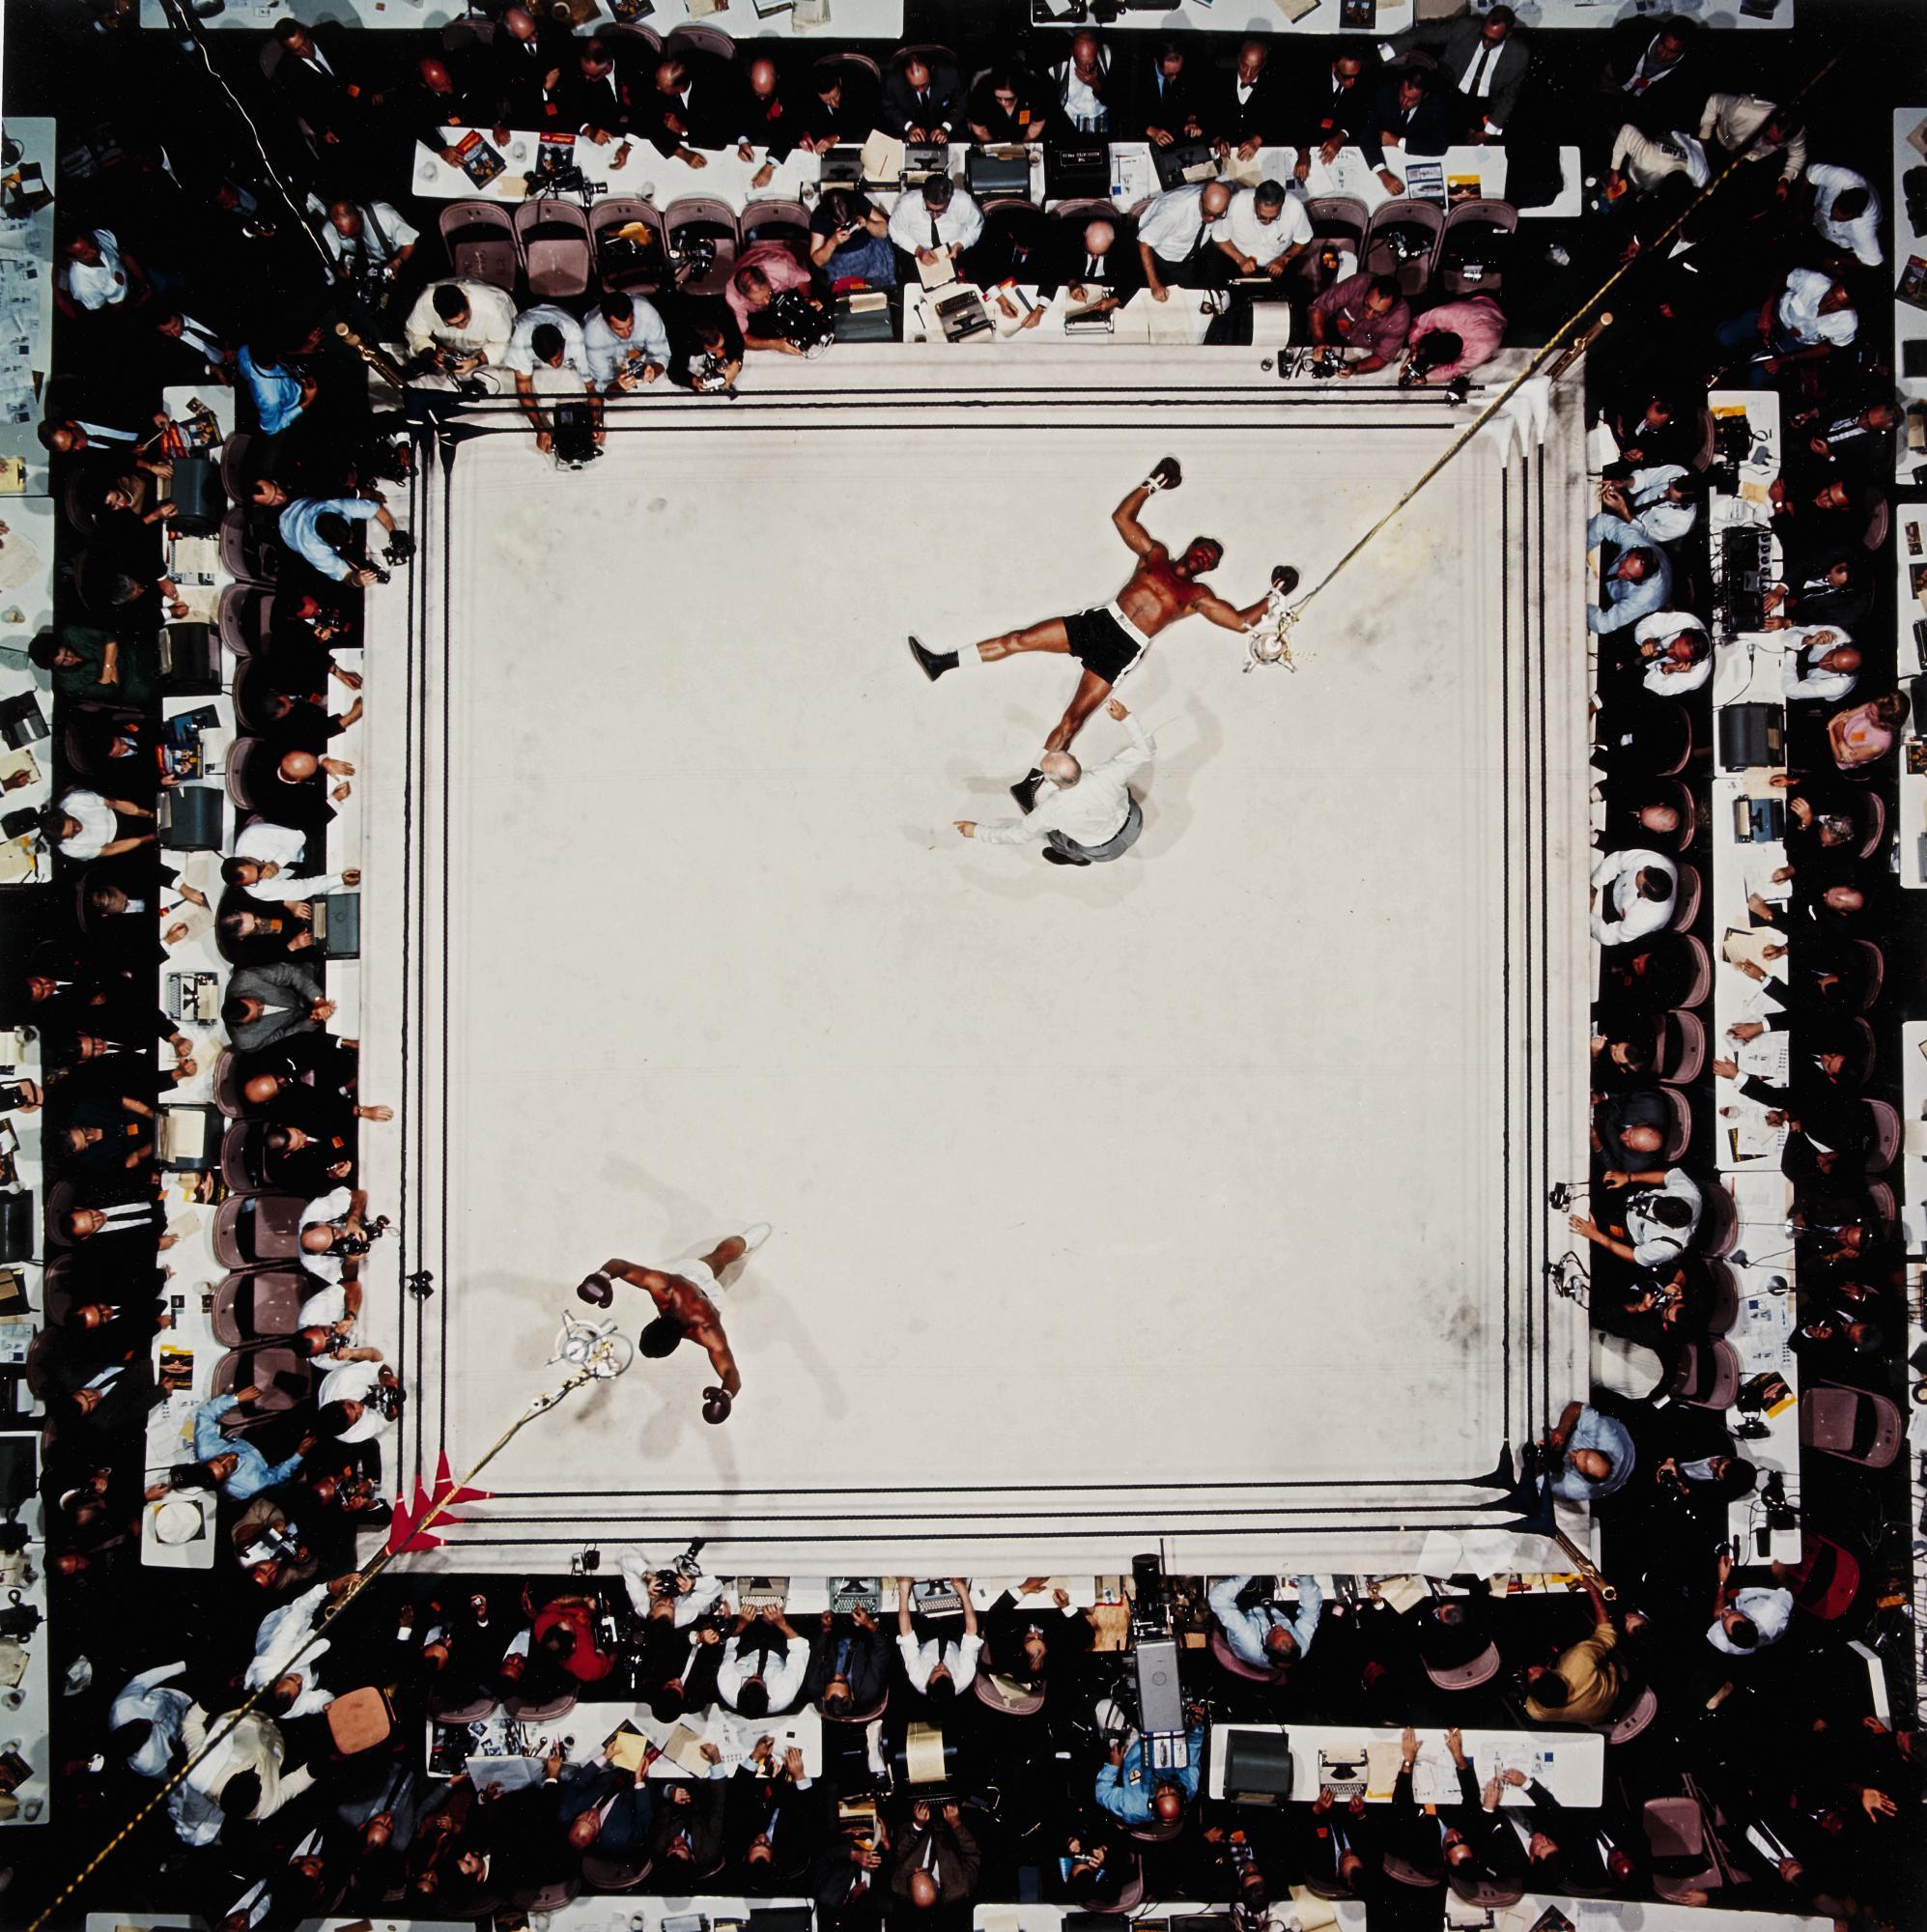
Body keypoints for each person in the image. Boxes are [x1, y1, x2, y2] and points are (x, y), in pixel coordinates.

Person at [907, 460, 1293, 782]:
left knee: (1073, 718)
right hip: (1102, 622)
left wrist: (1274, 594)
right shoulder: (1154, 555)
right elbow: (1122, 517)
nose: (1203, 560)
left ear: (1209, 570)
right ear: (1192, 546)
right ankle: (941, 662)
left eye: (1210, 562)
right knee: (1020, 638)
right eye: (1203, 551)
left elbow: (1241, 622)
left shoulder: (1197, 597)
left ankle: (1030, 785)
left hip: (1123, 648)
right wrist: (1153, 483)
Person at [578, 1227, 771, 1420]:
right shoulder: (665, 1289)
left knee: (718, 1261)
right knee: (717, 1258)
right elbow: (620, 1265)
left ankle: (750, 1238)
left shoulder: (707, 1331)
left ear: (678, 1342)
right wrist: (603, 1276)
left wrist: (727, 1394)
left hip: (712, 1301)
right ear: (653, 1321)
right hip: (686, 1284)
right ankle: (748, 1238)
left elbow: (731, 1374)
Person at [956, 697, 1153, 867]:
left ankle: (1075, 857)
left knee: (1056, 837)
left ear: (1053, 783)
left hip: (1102, 851)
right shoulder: (1108, 773)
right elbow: (1146, 750)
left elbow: (1017, 835)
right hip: (1134, 823)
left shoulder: (1051, 810)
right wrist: (1125, 717)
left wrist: (976, 831)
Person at [1401, 5, 1530, 143]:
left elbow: (1510, 96)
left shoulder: (1519, 55)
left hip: (1483, 106)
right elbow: (1427, 34)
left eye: (1493, 40)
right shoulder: (1466, 28)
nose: (1485, 43)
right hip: (1451, 93)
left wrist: (1487, 132)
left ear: (1508, 35)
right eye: (1484, 36)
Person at [247, 478, 403, 588]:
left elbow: (375, 509)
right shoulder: (314, 549)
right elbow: (345, 577)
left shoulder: (333, 506)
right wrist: (357, 579)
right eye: (273, 500)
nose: (280, 497)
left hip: (304, 502)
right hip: (289, 535)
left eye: (276, 490)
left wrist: (394, 532)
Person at [402, 278, 518, 389]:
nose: (461, 327)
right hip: (451, 350)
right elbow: (414, 333)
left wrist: (477, 360)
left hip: (489, 350)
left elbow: (503, 344)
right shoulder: (425, 304)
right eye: (452, 324)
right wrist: (430, 352)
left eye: (464, 320)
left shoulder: (494, 310)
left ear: (467, 300)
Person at [1096, 1713, 1204, 1828]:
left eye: (1162, 1795)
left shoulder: (1133, 1808)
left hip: (1130, 1747)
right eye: (1173, 1793)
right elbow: (1193, 1748)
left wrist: (1113, 1766)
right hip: (1163, 1736)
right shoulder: (1189, 1786)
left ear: (1152, 1803)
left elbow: (1102, 1793)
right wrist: (1196, 1726)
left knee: (1104, 1706)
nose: (1166, 1788)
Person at [1133, 180, 1233, 299]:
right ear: (1201, 197)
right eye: (1208, 212)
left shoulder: (1218, 195)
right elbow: (1144, 242)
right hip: (1163, 257)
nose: (1211, 219)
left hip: (1190, 253)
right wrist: (1154, 284)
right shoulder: (1174, 211)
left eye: (1217, 215)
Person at [1209, 1574, 1324, 1670]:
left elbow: (1218, 1599)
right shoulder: (1300, 1647)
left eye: (1275, 1633)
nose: (1279, 1627)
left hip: (1243, 1614)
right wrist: (1305, 1577)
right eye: (1286, 1631)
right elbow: (1311, 1610)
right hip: (1271, 1607)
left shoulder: (1248, 1640)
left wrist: (1246, 1573)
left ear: (1265, 1645)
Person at [894, 1576, 980, 1699]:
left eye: (935, 1671)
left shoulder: (917, 1677)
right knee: (963, 1594)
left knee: (912, 1595)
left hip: (926, 1636)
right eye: (946, 1671)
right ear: (953, 1680)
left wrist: (904, 1588)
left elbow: (906, 1634)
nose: (940, 1666)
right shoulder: (965, 1676)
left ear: (928, 1681)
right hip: (954, 1636)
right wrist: (962, 1591)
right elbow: (971, 1633)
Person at [1587, 511, 1673, 634]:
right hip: (1609, 572)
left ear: (1639, 582)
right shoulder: (1634, 541)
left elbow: (1603, 625)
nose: (1620, 572)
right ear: (1632, 550)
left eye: (1628, 575)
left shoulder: (1644, 598)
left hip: (1634, 598)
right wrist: (1581, 548)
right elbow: (1601, 522)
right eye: (1624, 564)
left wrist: (1580, 602)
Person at [1308, 273, 1410, 375]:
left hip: (1365, 353)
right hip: (1331, 336)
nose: (1369, 315)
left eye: (1378, 313)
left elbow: (1382, 357)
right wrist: (1319, 341)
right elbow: (1319, 308)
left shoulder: (1400, 318)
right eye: (1367, 305)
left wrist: (1354, 368)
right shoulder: (1357, 284)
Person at [222, 962, 333, 1054]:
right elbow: (286, 1035)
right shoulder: (246, 1041)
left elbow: (290, 973)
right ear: (245, 1025)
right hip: (306, 1026)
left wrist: (318, 1000)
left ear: (238, 996)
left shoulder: (245, 979)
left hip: (308, 984)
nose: (262, 1006)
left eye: (256, 1002)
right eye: (259, 1014)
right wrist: (312, 1020)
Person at [890, 1800, 980, 1909]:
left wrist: (917, 1825)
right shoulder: (960, 1887)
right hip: (950, 1822)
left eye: (913, 1874)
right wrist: (956, 1824)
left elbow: (899, 1852)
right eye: (922, 1871)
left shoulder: (898, 1884)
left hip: (914, 1818)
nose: (917, 1869)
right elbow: (972, 1853)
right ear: (937, 1883)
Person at [1203, 38, 1285, 158]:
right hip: (1227, 157)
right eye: (1244, 66)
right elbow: (1207, 118)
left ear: (1262, 66)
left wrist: (1257, 140)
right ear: (1238, 59)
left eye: (1255, 69)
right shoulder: (1218, 81)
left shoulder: (1273, 87)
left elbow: (1280, 121)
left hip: (1260, 155)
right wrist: (1217, 139)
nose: (1247, 74)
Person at [1213, 181, 1310, 281]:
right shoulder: (1237, 203)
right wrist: (1240, 259)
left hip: (1279, 264)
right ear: (1255, 201)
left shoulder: (1295, 207)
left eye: (1273, 217)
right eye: (1262, 217)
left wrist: (1284, 259)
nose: (1267, 222)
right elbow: (1219, 238)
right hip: (1237, 260)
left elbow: (1303, 240)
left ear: (1282, 204)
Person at [887, 174, 984, 272]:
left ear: (949, 199)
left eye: (941, 210)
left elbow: (976, 228)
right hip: (916, 253)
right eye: (929, 209)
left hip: (956, 253)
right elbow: (895, 231)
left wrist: (960, 244)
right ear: (923, 196)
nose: (934, 215)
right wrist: (918, 251)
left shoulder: (964, 203)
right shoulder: (907, 204)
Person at [584, 290, 671, 394]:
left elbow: (661, 355)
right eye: (619, 329)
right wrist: (620, 386)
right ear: (605, 321)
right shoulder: (593, 334)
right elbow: (604, 385)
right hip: (611, 363)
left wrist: (653, 371)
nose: (627, 333)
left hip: (639, 356)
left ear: (633, 314)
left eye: (630, 325)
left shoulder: (647, 313)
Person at [1403, 297, 1506, 383]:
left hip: (1499, 313)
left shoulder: (1480, 351)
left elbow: (1455, 370)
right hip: (1475, 304)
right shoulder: (1447, 315)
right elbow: (1419, 324)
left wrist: (1426, 378)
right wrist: (1414, 345)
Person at [1591, 846, 1678, 946]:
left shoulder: (1646, 918)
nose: (1643, 868)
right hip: (1614, 882)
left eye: (1637, 882)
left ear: (1643, 895)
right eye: (1643, 870)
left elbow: (1610, 936)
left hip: (1613, 916)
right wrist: (1593, 885)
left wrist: (1587, 917)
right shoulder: (1657, 861)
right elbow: (1616, 861)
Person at [1807, 162, 1884, 267]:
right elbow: (1810, 174)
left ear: (1857, 216)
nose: (1831, 217)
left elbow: (1873, 262)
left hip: (1836, 244)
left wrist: (1837, 261)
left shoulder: (1864, 231)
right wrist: (1799, 208)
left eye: (1838, 219)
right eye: (1834, 209)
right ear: (1842, 192)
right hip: (1815, 214)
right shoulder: (1841, 177)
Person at [881, 48, 964, 143]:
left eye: (924, 85)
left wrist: (945, 128)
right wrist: (909, 126)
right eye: (915, 87)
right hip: (908, 137)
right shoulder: (893, 82)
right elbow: (889, 108)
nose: (920, 91)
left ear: (932, 70)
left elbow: (961, 104)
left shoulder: (950, 74)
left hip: (949, 133)